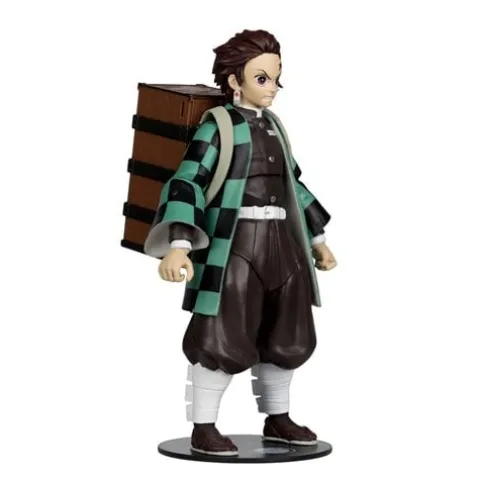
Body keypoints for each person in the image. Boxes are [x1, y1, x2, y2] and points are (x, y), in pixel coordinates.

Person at [143, 29, 337, 456]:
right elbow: (188, 182)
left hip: (282, 244)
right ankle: (203, 426)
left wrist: (318, 238)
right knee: (222, 333)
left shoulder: (274, 126)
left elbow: (293, 185)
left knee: (286, 330)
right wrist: (179, 243)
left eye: (276, 77)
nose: (273, 87)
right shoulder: (219, 126)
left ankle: (278, 418)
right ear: (235, 80)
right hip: (234, 245)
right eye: (262, 78)